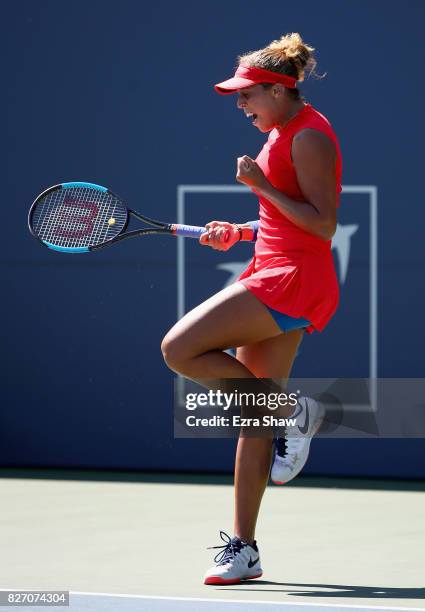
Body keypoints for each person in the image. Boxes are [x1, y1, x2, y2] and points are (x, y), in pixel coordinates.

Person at [161, 32, 342, 585]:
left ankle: (296, 414)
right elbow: (283, 222)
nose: (241, 105)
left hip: (292, 280)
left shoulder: (308, 137)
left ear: (278, 90)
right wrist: (238, 231)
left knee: (179, 348)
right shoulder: (282, 132)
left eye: (247, 95)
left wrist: (261, 187)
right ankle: (244, 550)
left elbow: (323, 225)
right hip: (274, 266)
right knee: (254, 415)